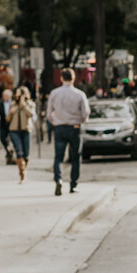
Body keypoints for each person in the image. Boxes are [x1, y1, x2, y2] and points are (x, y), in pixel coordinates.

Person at [46, 68, 90, 196]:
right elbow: (85, 113)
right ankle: (73, 184)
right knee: (75, 157)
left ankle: (58, 179)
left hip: (59, 127)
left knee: (58, 157)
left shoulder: (54, 93)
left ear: (61, 78)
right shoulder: (80, 94)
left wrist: (55, 121)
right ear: (73, 79)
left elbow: (49, 114)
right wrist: (81, 120)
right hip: (74, 127)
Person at [7, 85, 36, 183]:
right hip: (14, 130)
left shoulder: (30, 104)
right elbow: (7, 119)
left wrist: (23, 105)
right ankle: (22, 174)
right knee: (19, 152)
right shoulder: (12, 104)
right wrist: (12, 111)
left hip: (26, 130)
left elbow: (31, 114)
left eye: (19, 93)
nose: (17, 95)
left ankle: (23, 169)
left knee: (26, 155)